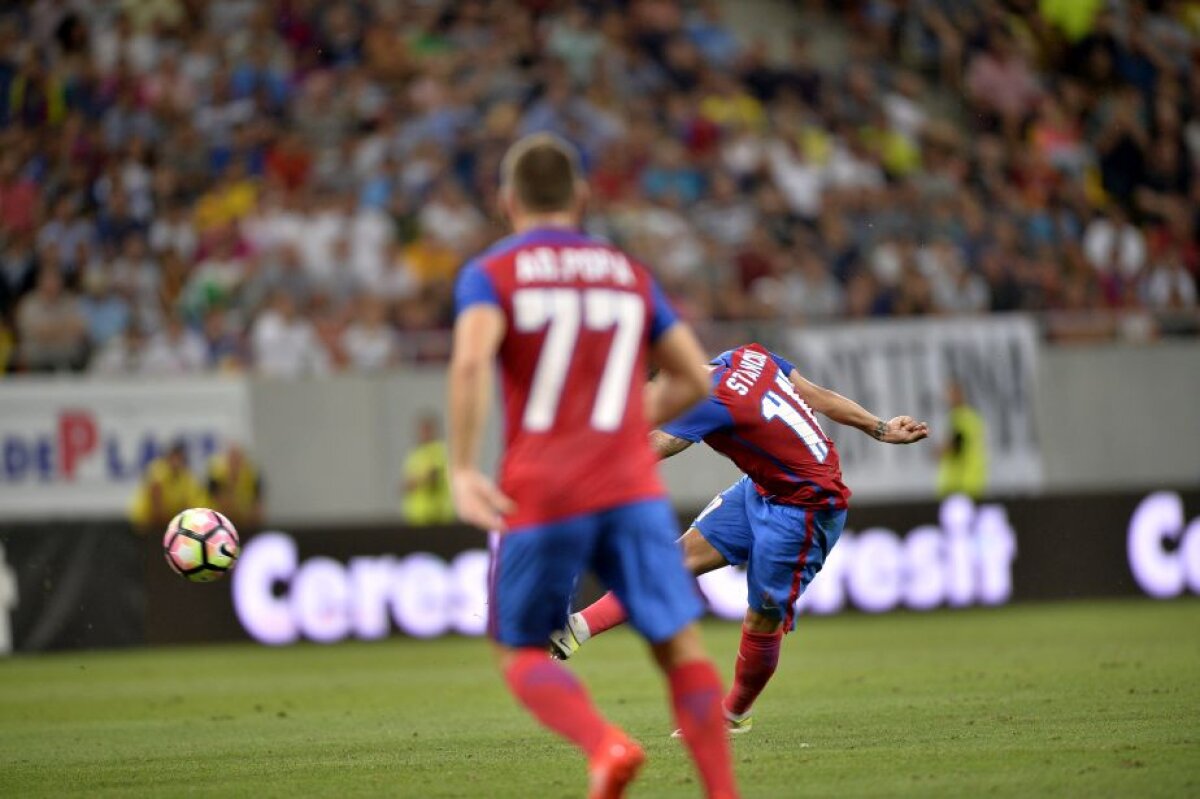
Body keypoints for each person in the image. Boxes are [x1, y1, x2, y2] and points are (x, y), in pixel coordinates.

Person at [448, 133, 740, 799]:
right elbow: (695, 377)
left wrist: (463, 467)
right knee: (678, 648)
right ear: (582, 197)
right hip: (629, 484)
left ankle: (604, 744)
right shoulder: (625, 272)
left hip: (543, 482)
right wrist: (619, 421)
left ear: (505, 201)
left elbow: (469, 361)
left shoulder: (491, 272)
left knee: (518, 649)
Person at [550, 343, 929, 735]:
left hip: (805, 508)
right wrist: (880, 428)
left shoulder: (697, 398)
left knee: (762, 619)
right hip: (762, 489)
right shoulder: (748, 355)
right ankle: (574, 629)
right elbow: (818, 397)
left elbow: (656, 446)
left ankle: (733, 713)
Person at [128, 440, 209, 534]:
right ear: (168, 458)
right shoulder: (157, 471)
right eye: (174, 458)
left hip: (172, 525)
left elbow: (192, 505)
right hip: (148, 524)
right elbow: (157, 509)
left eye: (180, 458)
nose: (176, 462)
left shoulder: (186, 477)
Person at [936, 380, 988, 499]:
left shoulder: (961, 418)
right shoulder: (971, 417)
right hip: (970, 483)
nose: (949, 398)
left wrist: (940, 451)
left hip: (960, 483)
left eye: (952, 394)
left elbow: (956, 444)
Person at [400, 413, 455, 526]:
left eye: (427, 430)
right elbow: (406, 485)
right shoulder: (414, 455)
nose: (424, 433)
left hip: (437, 517)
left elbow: (432, 477)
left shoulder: (439, 451)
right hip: (416, 517)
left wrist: (416, 481)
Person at [206, 443, 265, 531]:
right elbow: (218, 503)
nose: (235, 463)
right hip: (221, 521)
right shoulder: (217, 475)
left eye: (238, 459)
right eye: (232, 459)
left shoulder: (251, 475)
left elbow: (257, 505)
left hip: (245, 520)